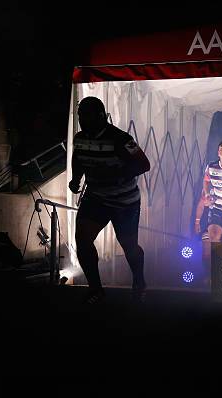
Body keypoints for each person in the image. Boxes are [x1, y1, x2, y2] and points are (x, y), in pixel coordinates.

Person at [69, 97, 151, 304]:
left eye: (85, 116)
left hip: (125, 202)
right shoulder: (79, 138)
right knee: (83, 239)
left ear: (99, 116)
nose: (81, 120)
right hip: (96, 198)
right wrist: (75, 178)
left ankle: (139, 281)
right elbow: (77, 157)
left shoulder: (120, 139)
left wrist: (117, 175)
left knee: (128, 246)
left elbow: (143, 164)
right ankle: (95, 288)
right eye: (79, 116)